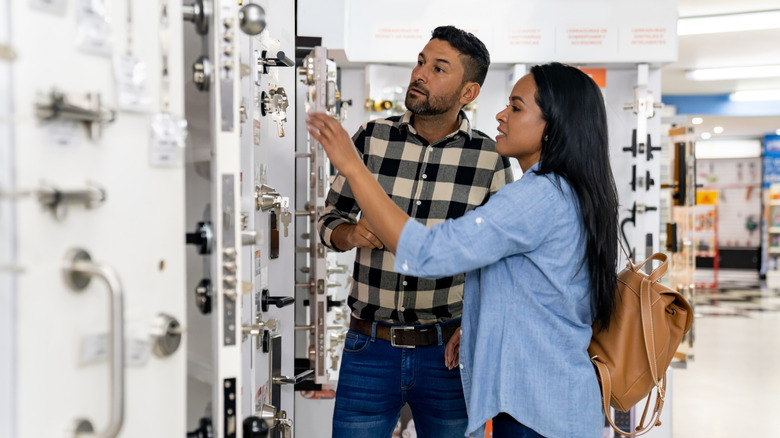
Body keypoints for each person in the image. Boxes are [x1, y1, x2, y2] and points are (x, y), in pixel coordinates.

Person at [308, 62, 619, 438]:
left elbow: (428, 253)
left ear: (553, 127)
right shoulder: (565, 190)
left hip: (536, 412)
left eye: (516, 108)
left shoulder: (537, 197)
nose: (501, 116)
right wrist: (476, 323)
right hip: (548, 403)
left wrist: (353, 168)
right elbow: (533, 291)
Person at [316, 26, 513, 437]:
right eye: (421, 61)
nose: (420, 73)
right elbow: (329, 219)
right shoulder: (372, 138)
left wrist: (475, 324)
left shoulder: (489, 159)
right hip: (368, 346)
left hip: (449, 354)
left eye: (439, 68)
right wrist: (349, 235)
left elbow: (499, 261)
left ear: (468, 93)